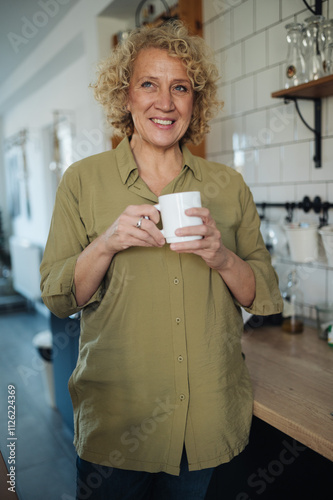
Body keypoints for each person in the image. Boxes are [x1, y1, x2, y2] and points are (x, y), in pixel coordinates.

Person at [40, 20, 283, 500]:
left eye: (181, 88)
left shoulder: (228, 186)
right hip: (117, 426)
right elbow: (59, 297)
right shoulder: (82, 182)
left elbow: (263, 292)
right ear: (124, 95)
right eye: (148, 84)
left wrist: (220, 255)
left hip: (207, 424)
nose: (165, 102)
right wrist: (106, 243)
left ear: (197, 101)